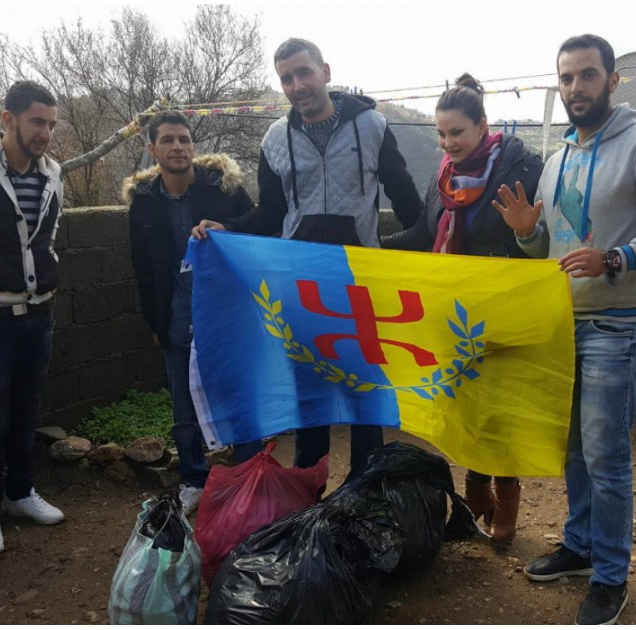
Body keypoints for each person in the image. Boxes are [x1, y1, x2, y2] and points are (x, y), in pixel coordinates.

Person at [192, 38, 423, 480]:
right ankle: (305, 496)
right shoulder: (275, 139)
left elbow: (411, 208)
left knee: (364, 397)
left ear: (326, 72)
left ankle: (364, 495)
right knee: (309, 396)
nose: (297, 85)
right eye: (286, 78)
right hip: (300, 287)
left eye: (304, 73)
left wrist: (392, 255)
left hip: (358, 287)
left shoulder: (372, 126)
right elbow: (271, 214)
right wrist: (229, 229)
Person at [493, 34, 636, 625]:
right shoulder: (555, 159)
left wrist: (615, 259)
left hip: (618, 324)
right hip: (564, 321)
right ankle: (581, 547)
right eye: (566, 78)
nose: (575, 88)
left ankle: (611, 576)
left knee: (606, 455)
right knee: (573, 449)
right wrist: (526, 232)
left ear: (614, 80)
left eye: (587, 76)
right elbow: (547, 249)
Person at [381, 73, 543, 545]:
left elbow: (540, 237)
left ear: (482, 126)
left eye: (457, 132)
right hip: (454, 314)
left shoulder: (520, 168)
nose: (448, 142)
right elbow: (420, 236)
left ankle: (506, 500)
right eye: (441, 134)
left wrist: (520, 238)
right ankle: (477, 496)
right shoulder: (444, 182)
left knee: (500, 409)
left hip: (504, 312)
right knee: (468, 406)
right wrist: (369, 245)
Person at [125, 111, 262, 515]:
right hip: (175, 312)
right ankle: (194, 480)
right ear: (153, 149)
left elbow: (258, 225)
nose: (178, 147)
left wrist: (228, 227)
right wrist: (154, 321)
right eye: (167, 140)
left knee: (239, 393)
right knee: (183, 407)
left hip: (226, 311)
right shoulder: (144, 203)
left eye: (184, 139)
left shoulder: (224, 188)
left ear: (193, 146)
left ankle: (249, 474)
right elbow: (141, 266)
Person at [0, 81, 66, 555]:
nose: (45, 133)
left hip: (39, 312)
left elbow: (49, 235)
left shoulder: (52, 173)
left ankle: (19, 492)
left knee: (26, 410)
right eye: (37, 121)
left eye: (51, 124)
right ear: (8, 119)